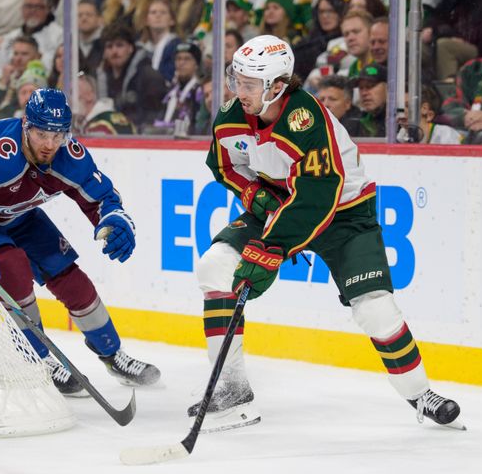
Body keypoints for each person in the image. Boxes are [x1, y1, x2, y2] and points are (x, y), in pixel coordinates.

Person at [194, 34, 461, 433]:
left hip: (344, 213)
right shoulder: (232, 115)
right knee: (215, 267)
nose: (238, 91)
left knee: (374, 308)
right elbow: (223, 164)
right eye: (237, 79)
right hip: (282, 205)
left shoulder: (306, 118)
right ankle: (231, 392)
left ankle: (421, 395)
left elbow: (318, 197)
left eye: (249, 84)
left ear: (278, 87)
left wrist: (269, 249)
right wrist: (254, 194)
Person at [0, 88, 160, 395]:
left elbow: (101, 197)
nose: (50, 145)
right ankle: (39, 359)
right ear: (26, 124)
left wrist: (114, 219)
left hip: (17, 216)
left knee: (72, 279)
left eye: (58, 135)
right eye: (42, 134)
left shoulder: (69, 154)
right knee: (12, 267)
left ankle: (113, 354)